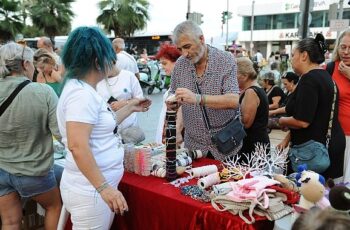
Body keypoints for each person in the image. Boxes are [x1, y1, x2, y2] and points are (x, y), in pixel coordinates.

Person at [56, 26, 151, 229]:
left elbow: (102, 126)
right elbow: (77, 145)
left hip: (90, 188)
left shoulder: (83, 89)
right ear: (98, 61)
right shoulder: (81, 95)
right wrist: (104, 188)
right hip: (90, 191)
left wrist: (131, 107)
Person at [0, 42, 62, 229]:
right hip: (34, 171)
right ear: (26, 64)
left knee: (10, 221)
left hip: (1, 169)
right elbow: (60, 133)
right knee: (53, 206)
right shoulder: (42, 92)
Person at [168, 20, 240, 161]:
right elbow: (174, 93)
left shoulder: (225, 59)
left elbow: (234, 100)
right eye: (180, 49)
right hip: (194, 146)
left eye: (187, 46)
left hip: (226, 145)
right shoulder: (180, 65)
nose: (185, 54)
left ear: (201, 39)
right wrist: (173, 103)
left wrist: (197, 98)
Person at [278, 34, 345, 179]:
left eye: (293, 55)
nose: (291, 59)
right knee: (320, 198)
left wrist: (282, 121)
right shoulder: (326, 77)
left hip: (312, 152)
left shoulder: (309, 79)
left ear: (304, 56)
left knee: (303, 195)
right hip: (325, 147)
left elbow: (302, 121)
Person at [96, 63, 144, 144]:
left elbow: (141, 99)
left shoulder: (129, 76)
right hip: (108, 134)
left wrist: (124, 103)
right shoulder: (97, 80)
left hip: (129, 131)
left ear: (111, 60)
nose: (101, 70)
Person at [327, 29, 350, 183]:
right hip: (336, 135)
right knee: (334, 183)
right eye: (343, 47)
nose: (346, 52)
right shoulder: (330, 68)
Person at [236, 57, 270, 158]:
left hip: (253, 144)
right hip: (257, 142)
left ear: (245, 76)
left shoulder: (250, 92)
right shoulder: (257, 89)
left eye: (234, 75)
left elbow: (246, 122)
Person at [154, 43, 184, 146]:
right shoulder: (175, 82)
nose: (162, 67)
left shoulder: (184, 84)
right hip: (167, 134)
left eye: (165, 63)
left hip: (173, 137)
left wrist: (177, 130)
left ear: (177, 62)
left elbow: (184, 109)